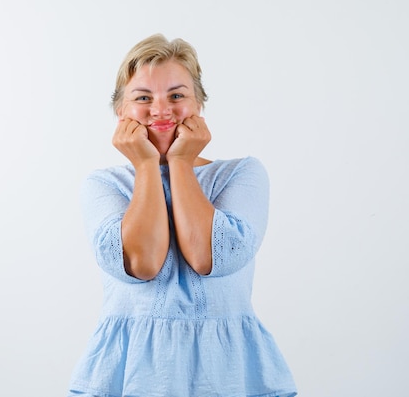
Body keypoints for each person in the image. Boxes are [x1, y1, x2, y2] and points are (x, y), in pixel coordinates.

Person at [67, 34, 297, 397]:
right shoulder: (103, 185)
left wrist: (180, 161)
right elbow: (142, 263)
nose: (161, 110)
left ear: (198, 105)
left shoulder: (242, 174)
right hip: (131, 375)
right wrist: (145, 163)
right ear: (120, 111)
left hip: (229, 373)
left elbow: (211, 256)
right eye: (143, 97)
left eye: (177, 95)